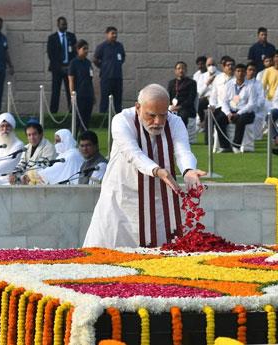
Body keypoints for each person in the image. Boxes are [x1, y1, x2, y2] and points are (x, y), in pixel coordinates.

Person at [84, 84, 206, 248]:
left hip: (158, 198)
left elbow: (182, 150)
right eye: (152, 115)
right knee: (108, 249)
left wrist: (188, 170)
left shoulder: (174, 122)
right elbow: (133, 153)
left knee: (162, 252)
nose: (158, 122)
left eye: (163, 115)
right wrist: (157, 171)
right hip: (122, 196)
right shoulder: (121, 120)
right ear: (137, 107)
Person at [219, 63, 257, 152]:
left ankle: (236, 146)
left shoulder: (251, 86)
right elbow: (224, 101)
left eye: (243, 71)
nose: (240, 73)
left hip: (245, 112)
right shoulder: (229, 84)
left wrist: (238, 114)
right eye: (238, 71)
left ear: (245, 73)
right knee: (219, 118)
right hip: (231, 111)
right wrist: (228, 113)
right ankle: (225, 146)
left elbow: (251, 104)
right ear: (235, 72)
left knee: (241, 120)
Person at [10, 120, 56, 185]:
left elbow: (41, 166)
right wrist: (14, 174)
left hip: (43, 183)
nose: (32, 137)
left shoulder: (49, 147)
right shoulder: (26, 147)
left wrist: (25, 176)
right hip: (26, 180)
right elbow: (21, 164)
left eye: (34, 134)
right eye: (29, 135)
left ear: (41, 134)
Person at [46, 17, 77, 114]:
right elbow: (51, 55)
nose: (65, 26)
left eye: (66, 24)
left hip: (69, 68)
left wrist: (70, 66)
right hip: (57, 69)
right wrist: (60, 67)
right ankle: (53, 113)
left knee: (70, 91)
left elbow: (75, 52)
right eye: (63, 24)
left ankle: (72, 112)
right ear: (58, 25)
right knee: (55, 92)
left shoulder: (71, 37)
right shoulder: (52, 38)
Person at [94, 26, 126, 113]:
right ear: (107, 34)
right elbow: (95, 59)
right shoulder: (102, 46)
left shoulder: (119, 46)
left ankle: (118, 120)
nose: (114, 35)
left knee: (118, 101)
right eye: (112, 33)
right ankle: (102, 122)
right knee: (105, 101)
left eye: (116, 34)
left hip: (118, 78)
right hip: (106, 78)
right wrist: (104, 67)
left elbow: (122, 58)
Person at [68, 39, 95, 134]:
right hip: (79, 95)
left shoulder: (88, 63)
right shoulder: (73, 63)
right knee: (77, 120)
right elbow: (71, 80)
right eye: (84, 49)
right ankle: (73, 140)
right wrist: (72, 95)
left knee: (86, 120)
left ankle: (84, 140)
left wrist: (93, 95)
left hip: (88, 95)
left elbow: (91, 79)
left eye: (87, 48)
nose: (86, 51)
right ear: (78, 49)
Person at [209, 56, 235, 152]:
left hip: (232, 107)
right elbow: (213, 95)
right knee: (211, 116)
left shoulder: (237, 79)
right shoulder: (218, 78)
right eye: (228, 65)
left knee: (219, 119)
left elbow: (238, 97)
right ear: (224, 67)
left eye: (232, 65)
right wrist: (212, 105)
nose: (230, 67)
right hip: (219, 106)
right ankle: (209, 142)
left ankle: (225, 146)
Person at [167, 61, 197, 126]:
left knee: (182, 116)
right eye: (179, 68)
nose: (181, 70)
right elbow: (168, 96)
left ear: (186, 70)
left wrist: (179, 107)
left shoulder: (191, 83)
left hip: (185, 108)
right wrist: (169, 106)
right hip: (172, 107)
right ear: (175, 71)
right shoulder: (171, 83)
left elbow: (191, 99)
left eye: (183, 68)